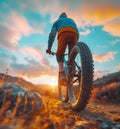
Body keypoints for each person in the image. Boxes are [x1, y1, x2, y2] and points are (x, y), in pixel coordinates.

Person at [46, 12, 79, 84]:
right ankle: (72, 70)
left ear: (59, 17)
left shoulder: (57, 22)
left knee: (59, 53)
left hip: (63, 33)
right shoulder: (71, 20)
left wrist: (49, 48)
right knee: (71, 56)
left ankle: (61, 74)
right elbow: (77, 32)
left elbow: (52, 35)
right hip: (74, 34)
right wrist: (75, 45)